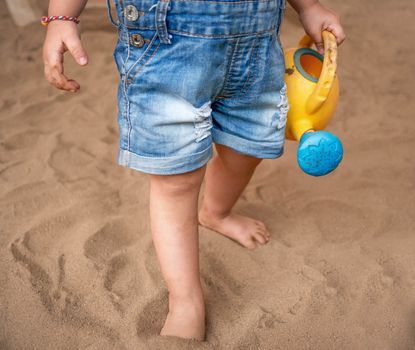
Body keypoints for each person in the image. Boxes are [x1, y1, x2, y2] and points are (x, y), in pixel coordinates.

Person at [42, 0, 345, 342]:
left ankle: (216, 213)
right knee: (177, 179)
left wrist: (308, 7)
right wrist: (62, 16)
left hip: (254, 53)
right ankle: (185, 299)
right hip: (166, 53)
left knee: (246, 150)